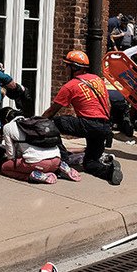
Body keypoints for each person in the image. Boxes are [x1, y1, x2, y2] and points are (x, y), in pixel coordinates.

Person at [42, 50, 122, 184]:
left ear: (74, 68)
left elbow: (51, 112)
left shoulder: (70, 86)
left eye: (67, 66)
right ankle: (109, 171)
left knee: (52, 124)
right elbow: (108, 104)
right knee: (90, 162)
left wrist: (37, 121)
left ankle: (63, 160)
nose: (65, 69)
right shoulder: (97, 79)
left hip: (88, 123)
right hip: (104, 126)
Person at [0, 117, 81, 184]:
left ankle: (31, 176)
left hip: (38, 164)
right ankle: (62, 167)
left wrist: (12, 161)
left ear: (5, 119)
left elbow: (11, 155)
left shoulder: (8, 127)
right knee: (40, 158)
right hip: (57, 159)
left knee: (5, 168)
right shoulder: (31, 123)